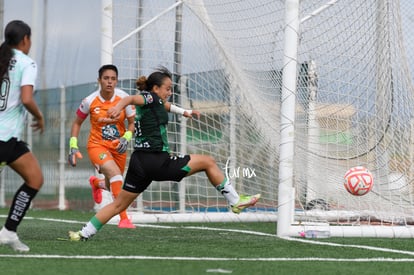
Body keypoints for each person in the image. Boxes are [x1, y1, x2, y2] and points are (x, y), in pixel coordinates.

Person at [68, 66, 260, 241]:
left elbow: (165, 106)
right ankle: (235, 201)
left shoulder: (155, 102)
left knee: (119, 205)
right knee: (208, 162)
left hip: (140, 163)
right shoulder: (148, 97)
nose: (170, 92)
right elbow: (131, 99)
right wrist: (118, 106)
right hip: (157, 161)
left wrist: (185, 112)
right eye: (167, 88)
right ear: (156, 89)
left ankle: (83, 233)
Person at [68, 64, 136, 229]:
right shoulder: (89, 101)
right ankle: (124, 218)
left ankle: (97, 184)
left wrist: (126, 138)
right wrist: (73, 146)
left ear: (117, 81)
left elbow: (132, 123)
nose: (109, 82)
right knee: (115, 175)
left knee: (114, 181)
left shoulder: (124, 99)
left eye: (113, 79)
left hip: (118, 147)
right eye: (106, 78)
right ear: (99, 80)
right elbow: (77, 123)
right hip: (96, 146)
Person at [0, 20, 45, 252]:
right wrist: (39, 117)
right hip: (4, 138)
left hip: (9, 141)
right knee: (35, 180)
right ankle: (8, 231)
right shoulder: (27, 63)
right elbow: (27, 98)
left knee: (35, 177)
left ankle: (8, 232)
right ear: (26, 39)